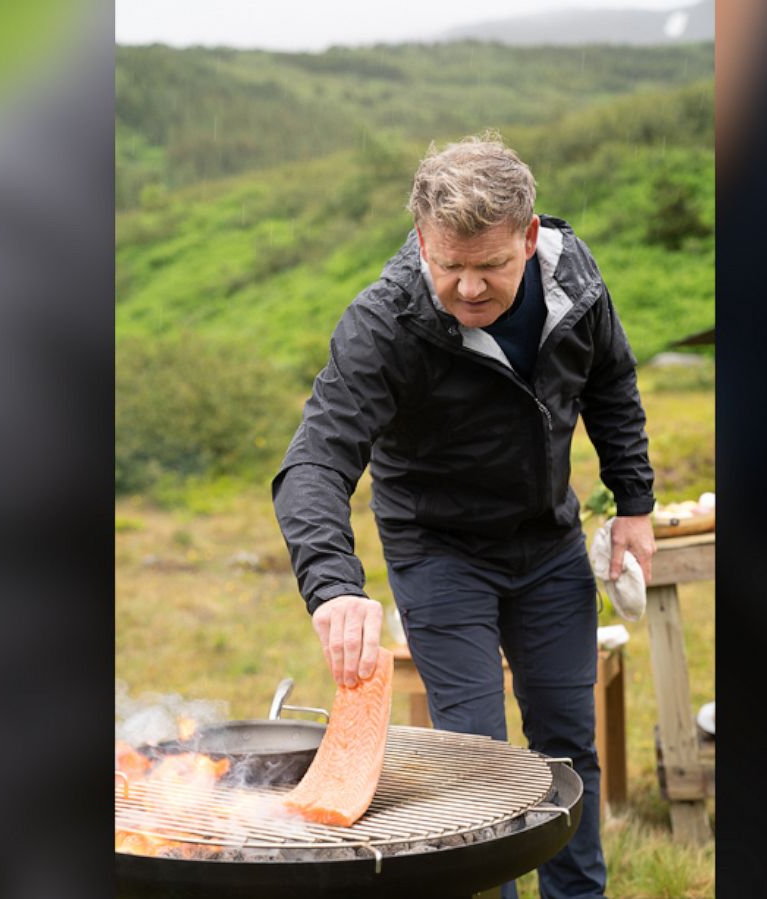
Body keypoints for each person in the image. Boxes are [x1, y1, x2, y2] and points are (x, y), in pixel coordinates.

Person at [273, 131, 656, 899]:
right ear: (422, 241)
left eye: (491, 267)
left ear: (530, 234)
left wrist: (635, 501)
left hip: (547, 542)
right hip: (440, 552)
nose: (470, 288)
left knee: (564, 749)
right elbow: (313, 461)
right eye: (450, 266)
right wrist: (335, 584)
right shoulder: (384, 325)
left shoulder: (576, 282)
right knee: (475, 761)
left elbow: (610, 384)